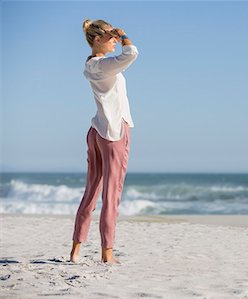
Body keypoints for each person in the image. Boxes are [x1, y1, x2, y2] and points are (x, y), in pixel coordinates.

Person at [70, 19, 139, 264]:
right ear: (97, 39)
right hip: (113, 133)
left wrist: (116, 35)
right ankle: (107, 254)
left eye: (116, 37)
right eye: (111, 37)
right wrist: (125, 34)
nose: (116, 40)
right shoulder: (104, 66)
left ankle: (76, 250)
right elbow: (132, 53)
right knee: (112, 193)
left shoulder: (90, 65)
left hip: (96, 130)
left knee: (91, 191)